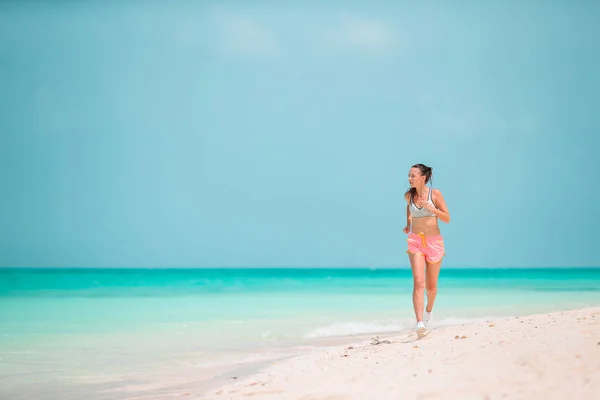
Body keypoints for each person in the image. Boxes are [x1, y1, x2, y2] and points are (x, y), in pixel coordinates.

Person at [403, 163, 451, 337]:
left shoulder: (435, 194)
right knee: (419, 282)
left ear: (423, 177)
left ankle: (429, 311)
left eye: (413, 175)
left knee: (431, 287)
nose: (409, 178)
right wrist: (409, 224)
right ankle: (419, 323)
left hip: (434, 243)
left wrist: (431, 208)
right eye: (409, 175)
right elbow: (409, 208)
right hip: (415, 241)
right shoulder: (409, 195)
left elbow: (447, 218)